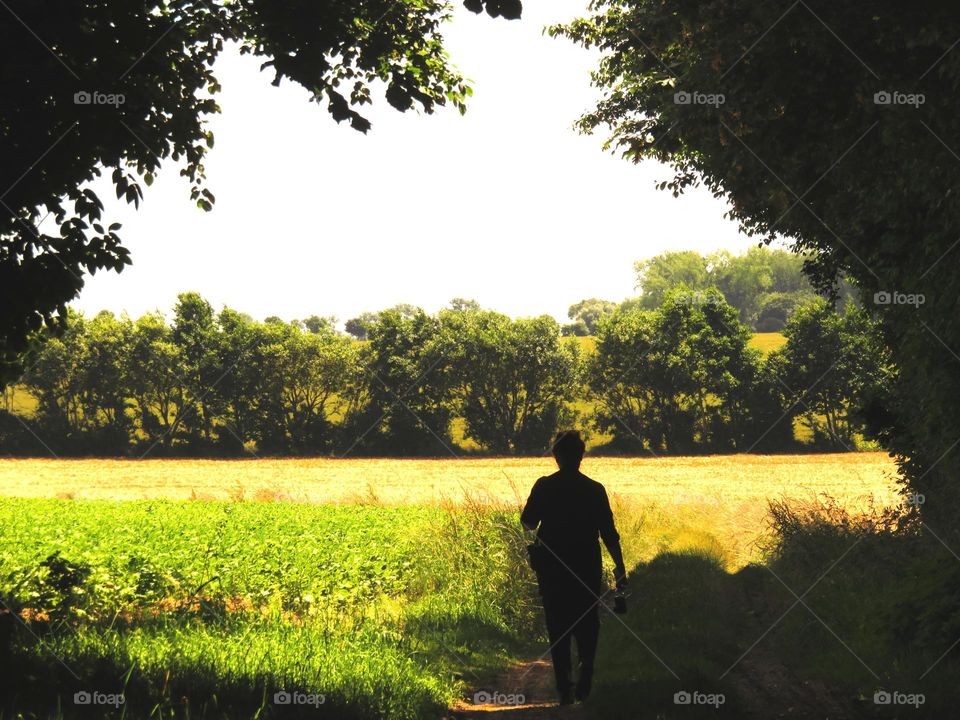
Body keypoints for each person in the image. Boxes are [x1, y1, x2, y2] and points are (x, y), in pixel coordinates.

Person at [521, 429, 626, 705]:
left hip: (553, 569)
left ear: (556, 456)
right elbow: (609, 534)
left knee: (558, 627)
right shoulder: (594, 489)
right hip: (586, 567)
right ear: (581, 456)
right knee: (587, 621)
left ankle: (565, 689)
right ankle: (586, 670)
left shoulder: (544, 486)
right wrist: (620, 567)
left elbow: (528, 523)